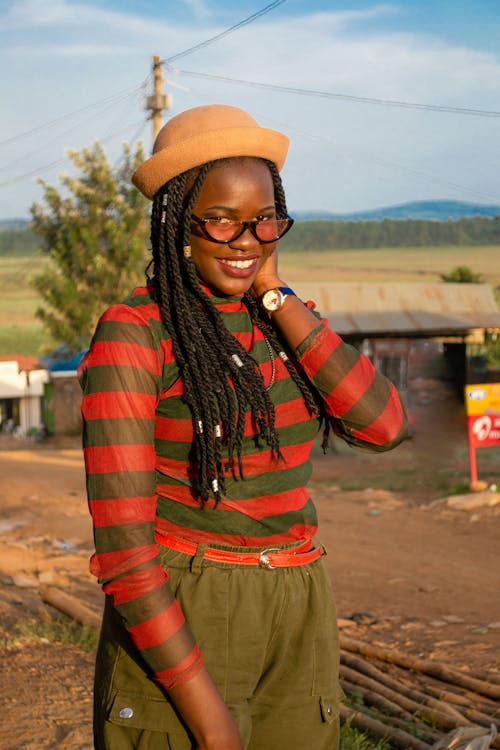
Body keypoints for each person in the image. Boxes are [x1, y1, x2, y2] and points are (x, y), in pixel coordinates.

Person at [79, 103, 407, 750]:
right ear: (178, 222)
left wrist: (277, 297)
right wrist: (209, 718)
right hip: (187, 610)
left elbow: (384, 425)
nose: (246, 241)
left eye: (263, 220)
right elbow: (125, 553)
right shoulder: (137, 333)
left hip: (299, 604)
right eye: (222, 220)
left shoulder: (281, 319)